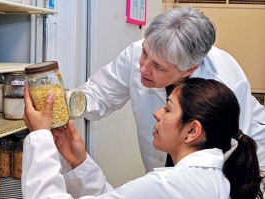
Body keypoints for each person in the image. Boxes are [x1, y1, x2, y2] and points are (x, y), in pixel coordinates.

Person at [78, 6, 265, 172]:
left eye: (158, 66)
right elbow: (99, 93)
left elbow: (230, 154)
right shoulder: (145, 51)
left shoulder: (224, 84)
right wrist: (63, 104)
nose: (143, 68)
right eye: (145, 52)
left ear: (189, 69)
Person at [22, 78, 264, 199]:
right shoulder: (211, 177)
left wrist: (41, 138)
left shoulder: (172, 185)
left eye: (168, 109)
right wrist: (80, 163)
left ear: (192, 131)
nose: (156, 113)